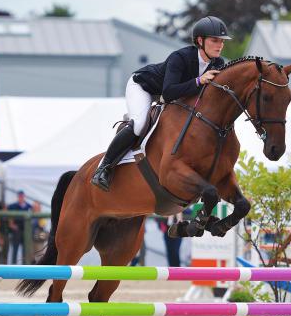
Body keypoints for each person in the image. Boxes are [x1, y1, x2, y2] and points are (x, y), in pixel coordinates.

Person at [91, 16, 231, 191]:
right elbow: (168, 92)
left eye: (222, 41)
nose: (220, 45)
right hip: (144, 87)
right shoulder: (180, 57)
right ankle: (104, 168)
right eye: (215, 40)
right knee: (140, 125)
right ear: (200, 41)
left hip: (172, 95)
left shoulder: (218, 63)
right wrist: (198, 81)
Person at [7, 191, 32, 264]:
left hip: (25, 230)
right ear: (18, 197)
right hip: (16, 230)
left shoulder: (28, 206)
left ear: (24, 197)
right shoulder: (13, 206)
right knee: (15, 249)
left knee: (25, 250)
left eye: (22, 196)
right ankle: (13, 265)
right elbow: (9, 215)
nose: (21, 198)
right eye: (20, 196)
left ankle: (24, 265)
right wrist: (11, 224)